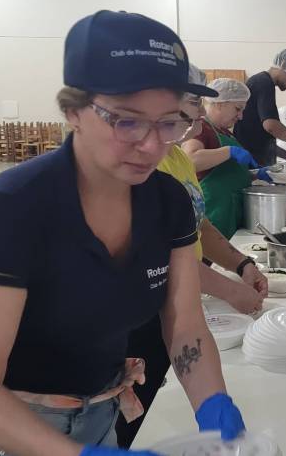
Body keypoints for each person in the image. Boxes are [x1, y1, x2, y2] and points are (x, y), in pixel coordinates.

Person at [0, 11, 244, 456]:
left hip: (100, 415)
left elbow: (184, 325)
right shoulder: (11, 209)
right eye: (127, 120)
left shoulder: (167, 203)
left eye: (170, 121)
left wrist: (213, 403)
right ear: (73, 111)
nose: (152, 145)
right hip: (4, 431)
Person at [115, 67, 268, 449]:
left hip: (158, 321)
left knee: (138, 417)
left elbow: (195, 229)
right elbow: (158, 260)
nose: (200, 114)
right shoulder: (127, 174)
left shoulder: (174, 165)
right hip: (113, 339)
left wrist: (241, 264)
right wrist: (229, 291)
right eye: (192, 104)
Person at [181, 78, 256, 238]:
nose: (240, 116)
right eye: (237, 109)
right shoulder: (201, 128)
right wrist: (229, 151)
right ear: (220, 103)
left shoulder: (224, 131)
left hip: (229, 212)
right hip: (214, 214)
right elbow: (190, 160)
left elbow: (224, 171)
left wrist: (255, 174)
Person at [233, 49, 286, 168]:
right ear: (284, 65)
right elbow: (271, 126)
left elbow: (260, 138)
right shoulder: (263, 83)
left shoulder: (262, 82)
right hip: (251, 164)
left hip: (256, 162)